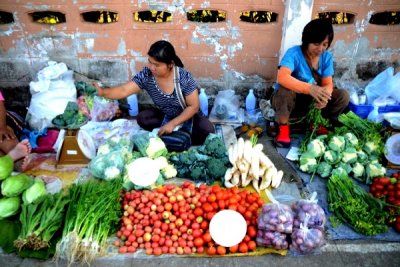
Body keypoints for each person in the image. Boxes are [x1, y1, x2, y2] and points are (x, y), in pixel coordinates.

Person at [95, 40, 215, 152]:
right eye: (150, 62)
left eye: (156, 65)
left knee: (207, 130)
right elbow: (124, 90)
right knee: (143, 118)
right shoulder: (147, 75)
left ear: (170, 64)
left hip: (187, 117)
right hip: (166, 115)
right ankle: (174, 137)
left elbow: (193, 107)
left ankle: (177, 136)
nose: (152, 67)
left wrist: (173, 124)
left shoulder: (183, 77)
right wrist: (102, 92)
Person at [271, 18, 349, 147]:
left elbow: (328, 83)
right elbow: (282, 77)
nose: (320, 49)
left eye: (324, 44)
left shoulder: (326, 57)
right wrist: (309, 89)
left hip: (313, 104)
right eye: (317, 44)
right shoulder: (294, 53)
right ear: (307, 41)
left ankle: (317, 123)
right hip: (293, 103)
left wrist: (325, 96)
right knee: (284, 90)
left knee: (342, 96)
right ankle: (284, 129)